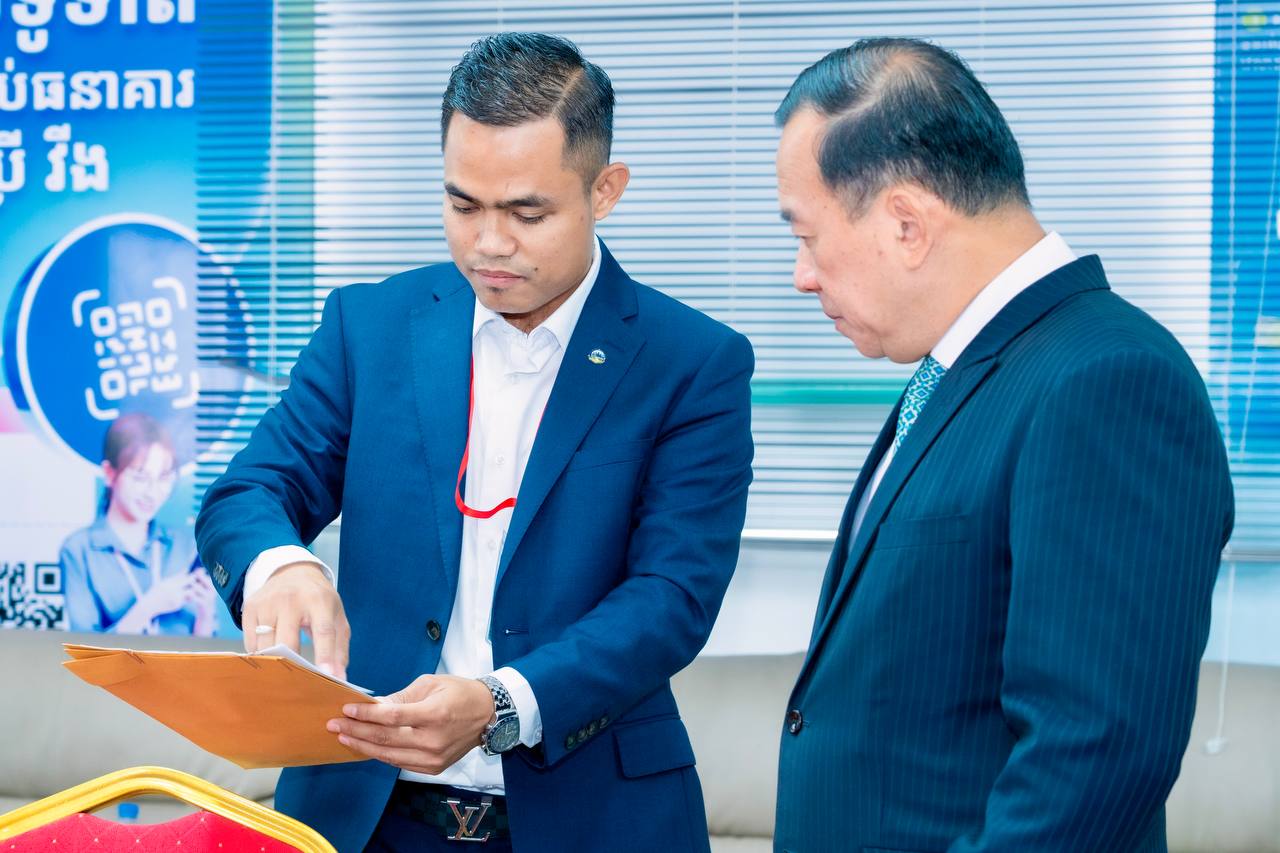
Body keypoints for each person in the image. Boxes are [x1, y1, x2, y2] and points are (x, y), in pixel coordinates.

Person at [195, 32, 754, 853]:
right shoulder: (369, 327)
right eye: (463, 205)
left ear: (604, 191)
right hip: (363, 815)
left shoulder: (691, 362)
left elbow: (672, 595)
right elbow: (249, 492)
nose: (489, 243)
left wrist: (501, 702)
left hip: (593, 821)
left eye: (527, 213)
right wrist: (282, 564)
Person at [772, 37, 1234, 852]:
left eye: (807, 236)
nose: (802, 275)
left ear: (907, 223)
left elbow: (1093, 755)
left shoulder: (1105, 379)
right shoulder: (963, 367)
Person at [60, 412, 217, 636]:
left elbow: (206, 649)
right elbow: (83, 648)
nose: (152, 493)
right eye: (140, 477)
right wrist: (148, 607)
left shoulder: (186, 545)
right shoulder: (79, 549)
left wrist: (206, 613)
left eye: (164, 477)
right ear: (109, 473)